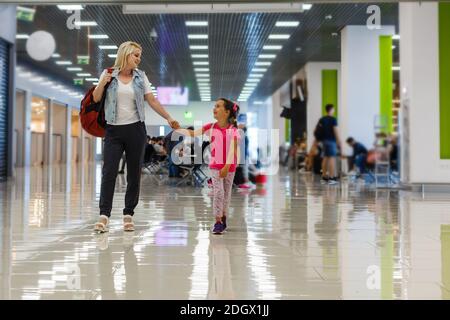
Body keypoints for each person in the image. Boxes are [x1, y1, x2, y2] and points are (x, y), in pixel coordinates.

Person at [93, 41, 180, 233]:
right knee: (109, 172)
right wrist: (102, 82)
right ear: (125, 54)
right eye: (136, 55)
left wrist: (168, 117)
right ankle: (104, 215)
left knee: (133, 173)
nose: (139, 59)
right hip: (113, 130)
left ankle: (128, 214)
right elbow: (97, 98)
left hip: (136, 130)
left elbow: (152, 100)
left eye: (140, 55)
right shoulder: (108, 73)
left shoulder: (141, 77)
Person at [176, 98, 240, 235]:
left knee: (227, 194)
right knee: (219, 192)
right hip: (215, 165)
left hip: (230, 166)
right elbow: (193, 134)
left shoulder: (233, 130)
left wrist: (227, 166)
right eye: (214, 106)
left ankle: (223, 217)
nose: (214, 108)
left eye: (218, 106)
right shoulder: (210, 127)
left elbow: (233, 150)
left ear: (227, 112)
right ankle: (217, 221)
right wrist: (178, 129)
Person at [314, 104, 343, 185]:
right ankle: (332, 177)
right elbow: (335, 131)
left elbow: (317, 130)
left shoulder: (322, 119)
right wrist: (339, 141)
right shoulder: (333, 119)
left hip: (324, 141)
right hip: (331, 141)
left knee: (326, 158)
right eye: (333, 109)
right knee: (332, 158)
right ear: (331, 109)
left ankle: (324, 177)